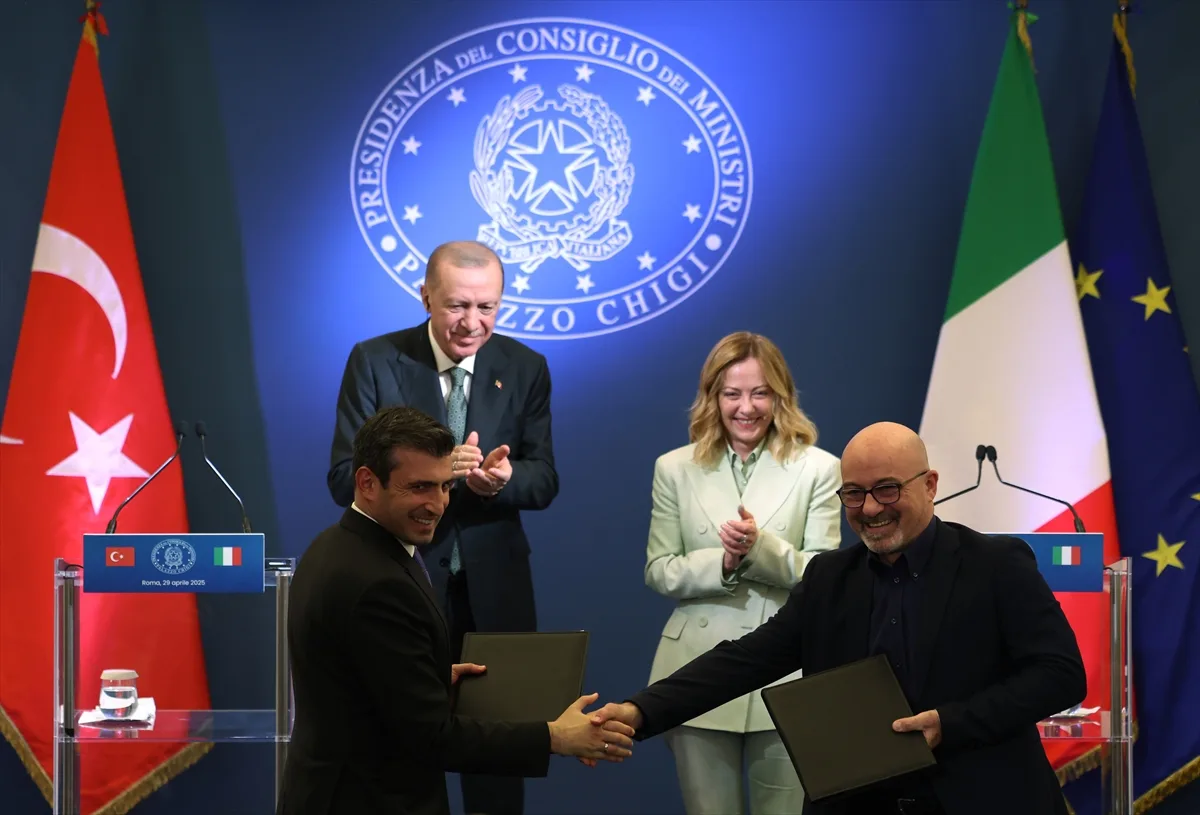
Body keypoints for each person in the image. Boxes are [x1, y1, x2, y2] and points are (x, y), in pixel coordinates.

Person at [594, 421, 1086, 815]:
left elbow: (1061, 675)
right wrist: (639, 711)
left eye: (887, 490)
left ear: (930, 485)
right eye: (853, 494)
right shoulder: (829, 578)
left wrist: (951, 724)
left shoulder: (995, 564)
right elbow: (743, 661)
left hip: (982, 796)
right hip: (857, 801)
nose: (869, 509)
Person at [281, 406, 631, 815]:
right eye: (420, 487)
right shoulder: (377, 582)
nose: (437, 504)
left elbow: (359, 684)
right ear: (367, 482)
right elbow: (432, 737)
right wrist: (555, 737)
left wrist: (423, 676)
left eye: (446, 486)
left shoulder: (335, 546)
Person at [328, 241, 556, 813]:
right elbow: (343, 478)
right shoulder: (376, 361)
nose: (472, 323)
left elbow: (544, 479)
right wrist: (433, 474)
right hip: (400, 588)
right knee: (399, 756)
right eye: (457, 305)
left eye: (487, 307)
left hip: (494, 595)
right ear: (425, 296)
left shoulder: (525, 367)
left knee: (497, 764)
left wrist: (502, 480)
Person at [644, 332, 840, 815]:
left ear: (780, 396)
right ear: (712, 397)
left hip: (786, 671)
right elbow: (659, 570)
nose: (746, 408)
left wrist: (759, 550)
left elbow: (824, 572)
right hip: (695, 668)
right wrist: (725, 563)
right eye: (732, 393)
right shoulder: (674, 468)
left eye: (760, 393)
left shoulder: (819, 469)